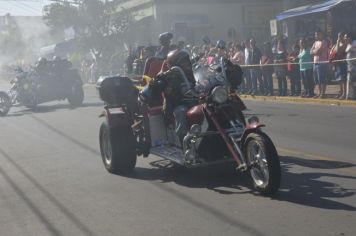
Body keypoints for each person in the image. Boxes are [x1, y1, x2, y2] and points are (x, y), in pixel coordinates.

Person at [140, 49, 197, 143]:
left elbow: (204, 76)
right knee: (181, 111)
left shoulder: (193, 72)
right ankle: (183, 141)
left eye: (187, 60)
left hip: (195, 102)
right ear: (174, 64)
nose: (186, 63)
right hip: (175, 106)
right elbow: (153, 85)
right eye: (183, 61)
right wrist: (158, 80)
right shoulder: (168, 77)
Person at [310, 30, 328, 98]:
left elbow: (319, 51)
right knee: (316, 80)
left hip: (322, 63)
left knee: (322, 79)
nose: (316, 36)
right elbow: (310, 52)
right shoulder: (315, 42)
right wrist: (315, 51)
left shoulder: (324, 42)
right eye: (315, 34)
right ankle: (319, 93)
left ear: (321, 34)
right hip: (315, 63)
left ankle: (322, 93)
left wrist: (314, 51)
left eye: (318, 34)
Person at [330, 32, 348, 99]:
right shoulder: (336, 44)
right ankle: (341, 92)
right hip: (336, 64)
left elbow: (337, 51)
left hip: (342, 64)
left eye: (340, 36)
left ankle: (344, 93)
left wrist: (337, 43)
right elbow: (331, 51)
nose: (339, 38)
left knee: (343, 79)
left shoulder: (345, 44)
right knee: (339, 80)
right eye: (338, 36)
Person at [345, 32, 356, 100]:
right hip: (350, 67)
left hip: (354, 66)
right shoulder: (348, 45)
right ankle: (350, 96)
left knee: (353, 82)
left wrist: (352, 48)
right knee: (350, 82)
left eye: (345, 38)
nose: (344, 39)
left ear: (349, 38)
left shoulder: (354, 43)